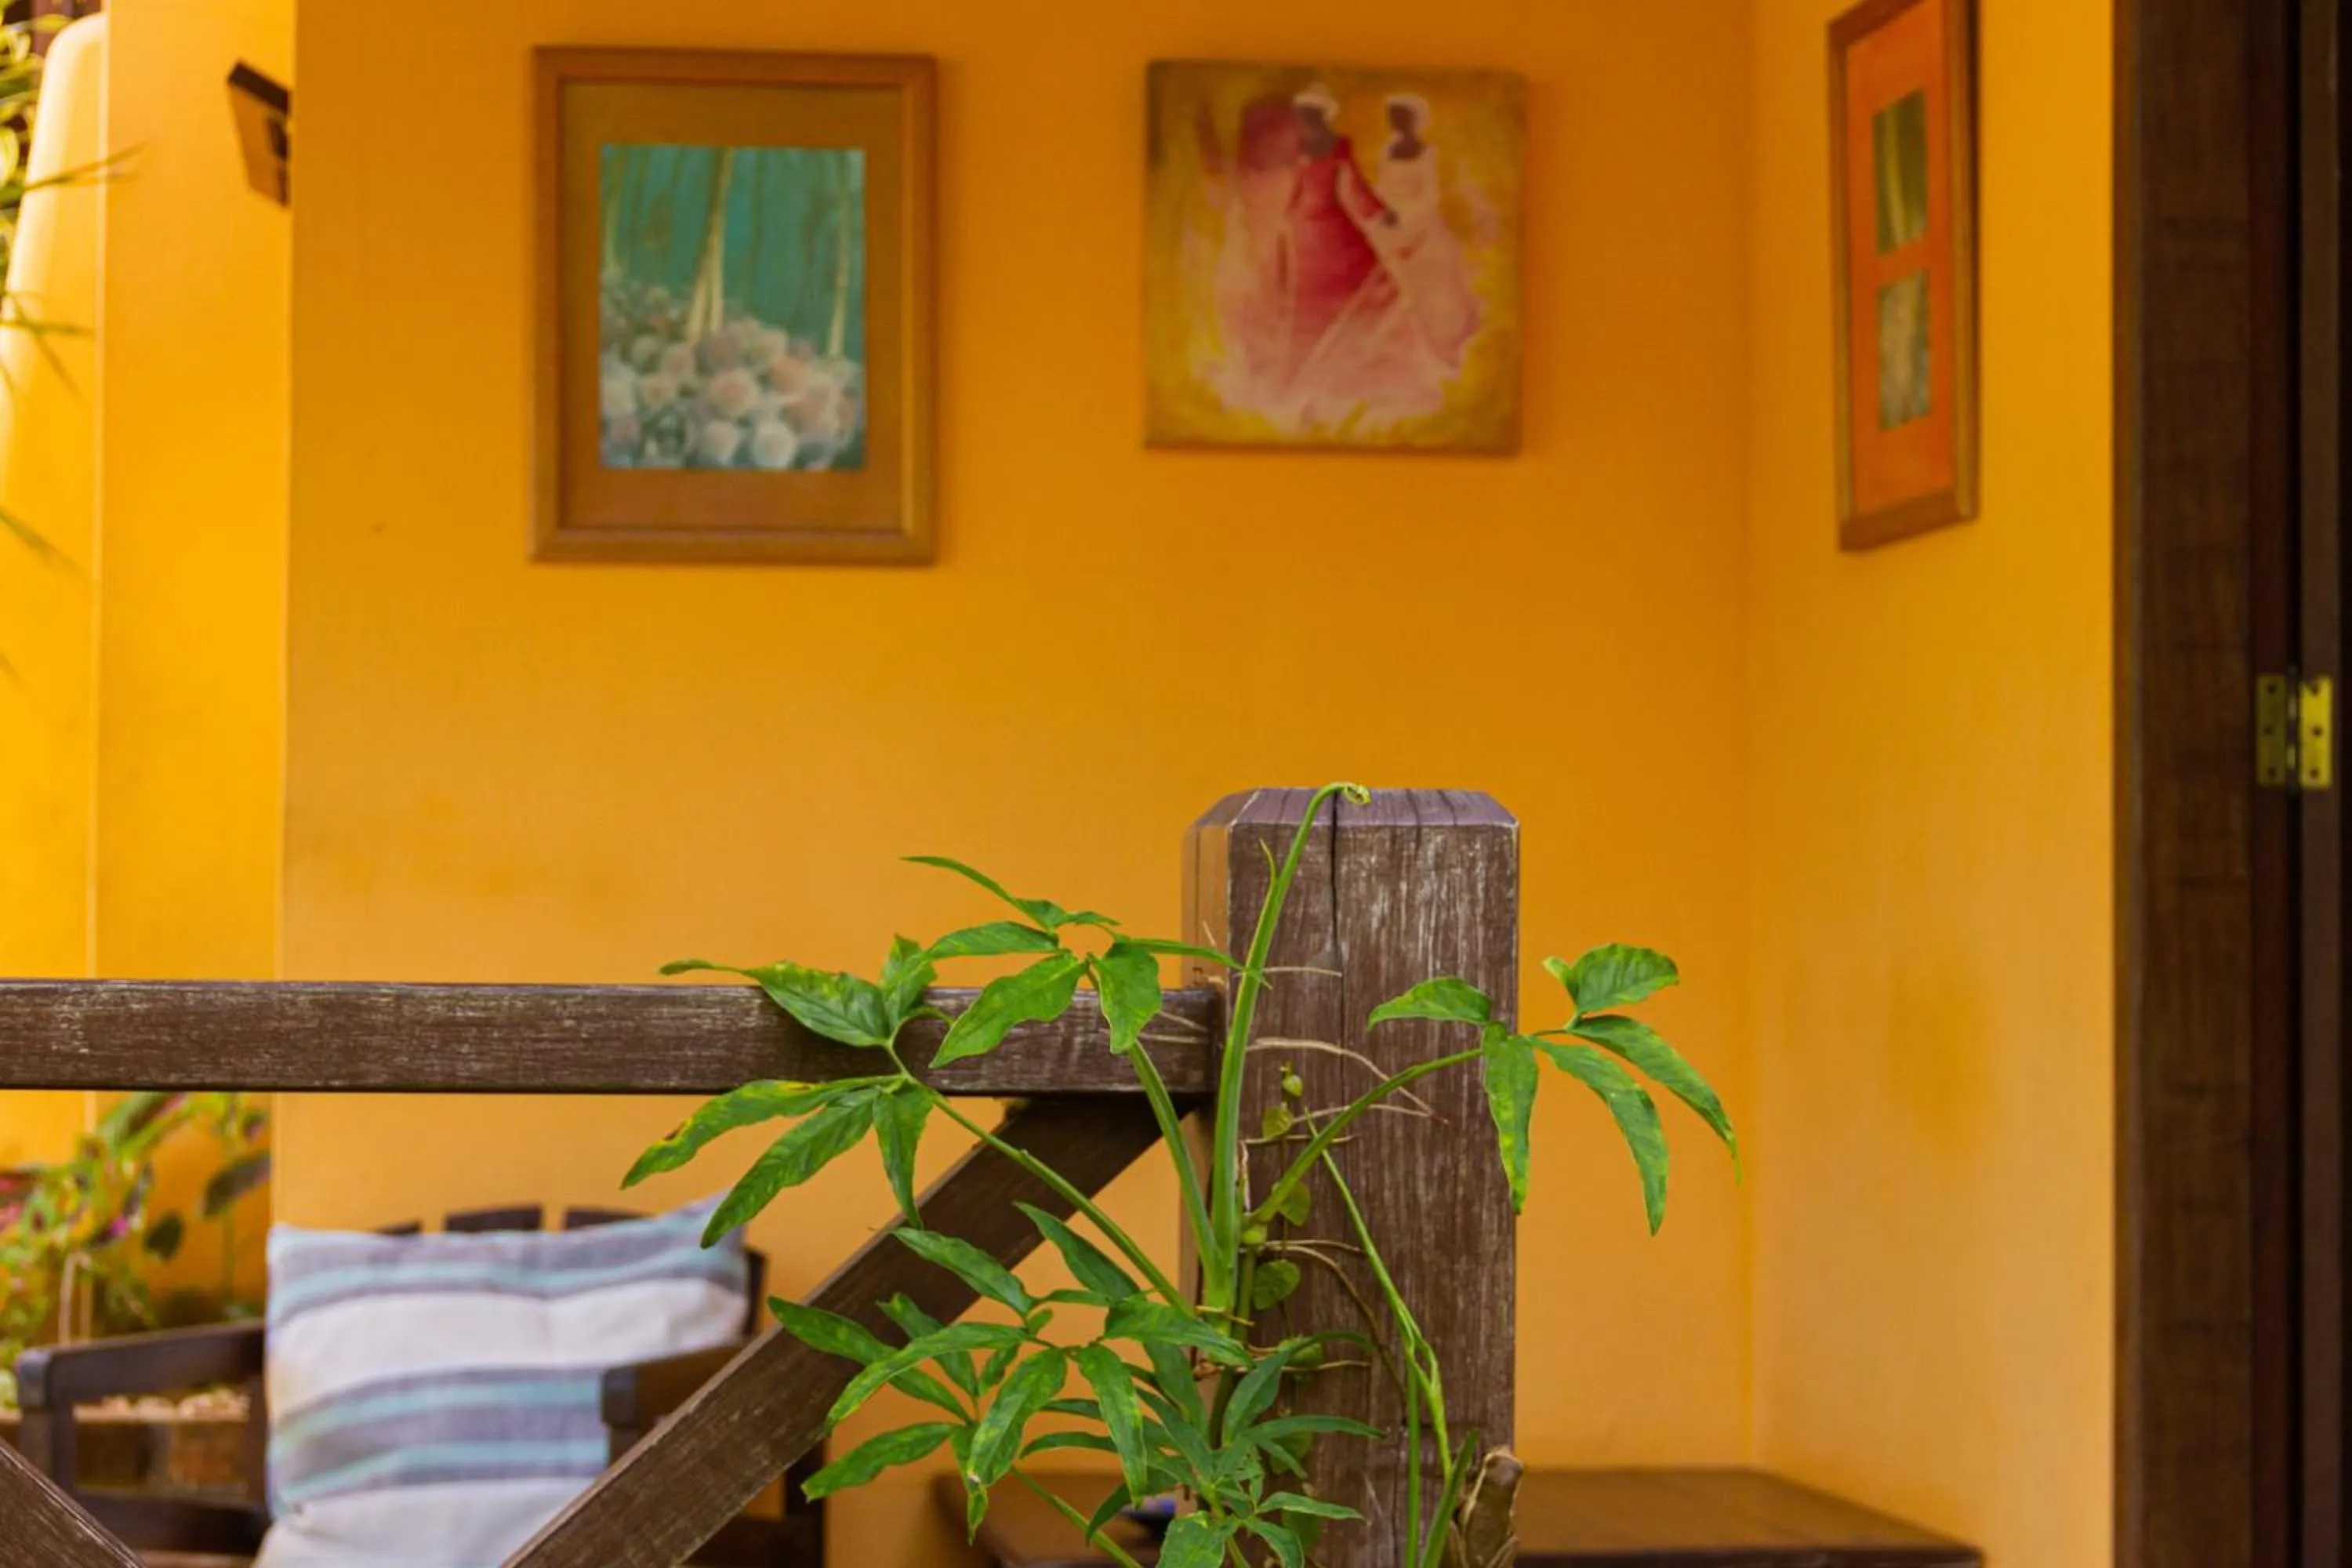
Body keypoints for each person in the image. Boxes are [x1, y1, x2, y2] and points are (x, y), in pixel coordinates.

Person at [1377, 93, 1482, 372]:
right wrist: (1387, 210)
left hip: (1421, 222)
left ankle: (1440, 346)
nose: (1395, 122)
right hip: (1395, 222)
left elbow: (1430, 195)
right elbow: (1383, 187)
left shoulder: (1426, 153)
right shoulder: (1388, 150)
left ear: (1412, 120)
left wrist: (1406, 215)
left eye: (1400, 116)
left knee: (1431, 281)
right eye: (1392, 116)